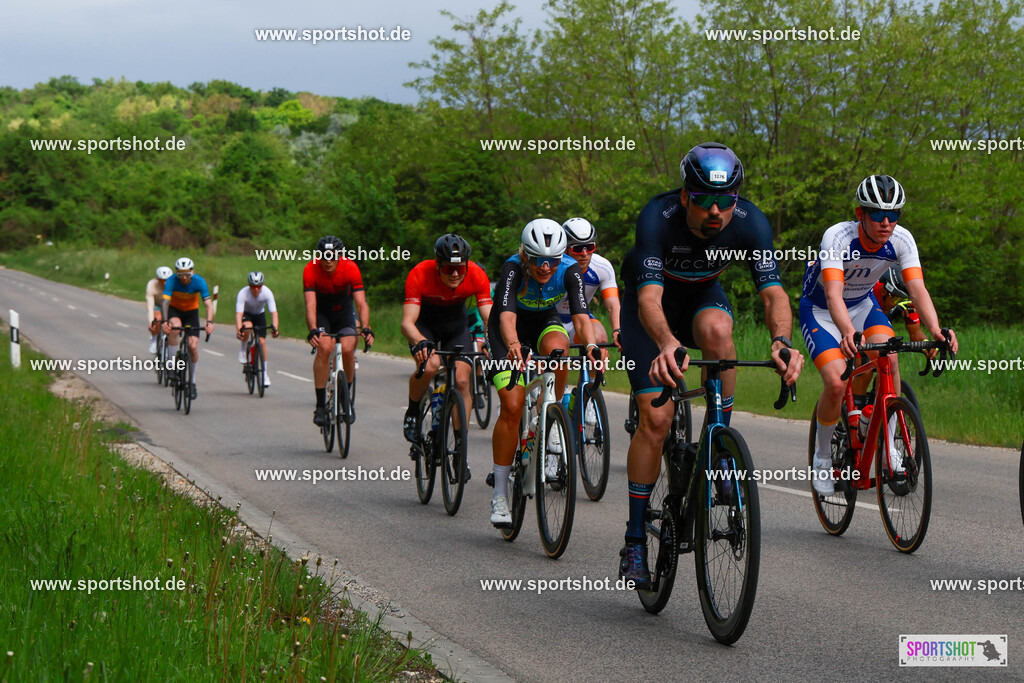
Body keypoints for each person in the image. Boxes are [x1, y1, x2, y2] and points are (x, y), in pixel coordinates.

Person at [618, 142, 803, 588]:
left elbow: (774, 293)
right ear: (685, 196)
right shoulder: (656, 219)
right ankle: (636, 539)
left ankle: (717, 448)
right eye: (703, 200)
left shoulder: (749, 223)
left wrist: (781, 341)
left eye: (726, 200)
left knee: (721, 332)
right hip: (651, 315)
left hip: (701, 300)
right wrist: (666, 342)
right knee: (657, 420)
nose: (715, 211)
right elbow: (648, 298)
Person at [800, 175, 957, 496]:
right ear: (860, 214)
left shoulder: (902, 239)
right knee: (835, 381)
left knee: (890, 357)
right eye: (878, 215)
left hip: (861, 305)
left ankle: (890, 445)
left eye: (894, 215)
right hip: (822, 311)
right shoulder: (837, 237)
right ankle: (823, 456)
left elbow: (917, 289)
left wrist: (937, 330)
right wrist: (847, 332)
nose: (887, 222)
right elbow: (832, 293)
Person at [486, 219, 605, 527]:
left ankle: (553, 410)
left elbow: (581, 318)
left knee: (561, 349)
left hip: (543, 322)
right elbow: (507, 316)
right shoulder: (512, 268)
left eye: (552, 260)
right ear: (526, 254)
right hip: (506, 330)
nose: (545, 267)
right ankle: (500, 493)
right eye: (538, 260)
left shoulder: (569, 270)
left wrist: (591, 345)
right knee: (512, 406)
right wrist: (513, 344)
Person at [401, 235, 492, 458]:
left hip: (456, 327)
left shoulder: (477, 275)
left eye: (460, 269)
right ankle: (413, 412)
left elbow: (489, 315)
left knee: (462, 379)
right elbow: (407, 322)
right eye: (449, 268)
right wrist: (420, 341)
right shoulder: (420, 273)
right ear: (438, 264)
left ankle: (461, 444)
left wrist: (492, 341)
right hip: (425, 327)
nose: (454, 274)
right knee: (430, 365)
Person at [303, 236, 373, 426]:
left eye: (332, 256)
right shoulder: (310, 269)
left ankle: (345, 398)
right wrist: (313, 329)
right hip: (322, 314)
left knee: (349, 349)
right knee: (324, 348)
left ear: (339, 256)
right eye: (324, 256)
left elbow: (361, 303)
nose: (328, 260)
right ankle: (319, 406)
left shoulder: (350, 268)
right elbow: (310, 306)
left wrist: (366, 327)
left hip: (344, 313)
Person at [555, 217, 622, 348]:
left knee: (600, 340)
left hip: (581, 317)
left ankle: (592, 368)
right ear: (564, 249)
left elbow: (613, 305)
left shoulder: (602, 267)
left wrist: (617, 330)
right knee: (556, 347)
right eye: (578, 249)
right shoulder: (552, 267)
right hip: (551, 319)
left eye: (590, 247)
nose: (585, 253)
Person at [160, 258, 215, 399]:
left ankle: (192, 382)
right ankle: (171, 366)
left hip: (191, 313)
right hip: (175, 311)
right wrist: (165, 321)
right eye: (181, 274)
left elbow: (208, 304)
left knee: (193, 346)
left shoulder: (199, 281)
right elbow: (165, 302)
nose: (184, 278)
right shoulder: (171, 281)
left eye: (187, 274)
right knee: (176, 328)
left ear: (192, 272)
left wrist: (209, 322)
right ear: (176, 273)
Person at [235, 271, 280, 387]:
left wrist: (275, 328)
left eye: (258, 286)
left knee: (262, 342)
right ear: (249, 285)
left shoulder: (267, 293)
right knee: (248, 327)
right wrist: (239, 330)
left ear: (262, 285)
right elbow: (239, 315)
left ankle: (264, 374)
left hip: (260, 315)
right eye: (253, 286)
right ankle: (243, 349)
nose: (256, 289)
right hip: (247, 314)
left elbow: (274, 313)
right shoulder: (243, 293)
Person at [147, 266, 172, 354]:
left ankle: (168, 345)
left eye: (167, 280)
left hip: (169, 306)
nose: (164, 283)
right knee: (157, 318)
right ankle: (154, 339)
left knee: (171, 323)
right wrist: (151, 322)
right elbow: (150, 306)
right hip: (157, 304)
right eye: (161, 280)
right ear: (157, 279)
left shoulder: (174, 285)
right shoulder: (152, 285)